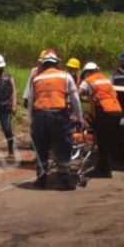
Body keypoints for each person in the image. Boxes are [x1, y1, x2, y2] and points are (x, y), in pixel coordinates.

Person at [30, 51, 83, 190]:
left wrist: (32, 120)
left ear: (43, 64)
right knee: (63, 147)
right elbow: (75, 99)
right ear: (57, 63)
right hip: (57, 115)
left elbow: (31, 100)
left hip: (39, 116)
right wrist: (79, 117)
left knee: (41, 148)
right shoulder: (65, 76)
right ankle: (64, 182)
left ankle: (41, 180)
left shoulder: (37, 78)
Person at [78, 62, 123, 178]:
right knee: (107, 141)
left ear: (87, 72)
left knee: (102, 141)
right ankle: (105, 167)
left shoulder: (87, 81)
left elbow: (77, 94)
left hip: (105, 111)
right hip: (117, 110)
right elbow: (112, 94)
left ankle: (104, 170)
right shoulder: (106, 79)